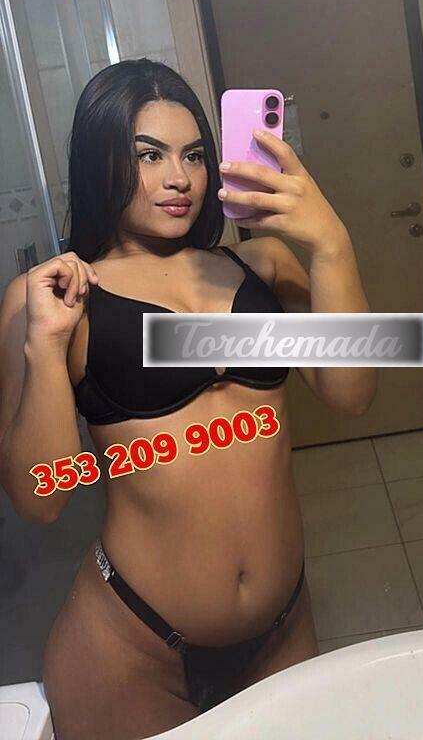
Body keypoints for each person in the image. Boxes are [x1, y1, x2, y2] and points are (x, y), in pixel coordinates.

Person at [0, 58, 377, 740]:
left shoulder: (261, 265)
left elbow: (351, 392)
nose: (180, 178)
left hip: (282, 629)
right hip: (132, 651)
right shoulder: (55, 298)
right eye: (149, 155)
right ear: (101, 162)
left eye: (194, 155)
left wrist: (331, 244)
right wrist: (46, 346)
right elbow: (40, 500)